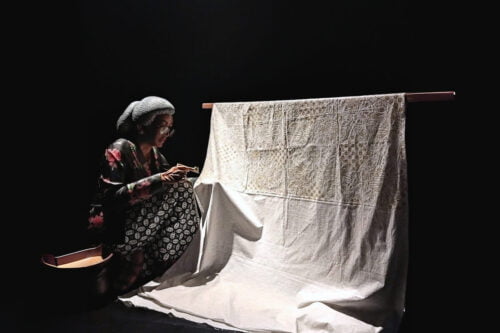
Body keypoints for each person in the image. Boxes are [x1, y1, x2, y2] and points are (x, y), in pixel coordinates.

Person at [88, 96, 200, 293]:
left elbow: (168, 189)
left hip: (140, 227)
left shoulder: (157, 156)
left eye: (170, 128)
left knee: (188, 185)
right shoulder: (119, 149)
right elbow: (112, 199)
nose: (168, 133)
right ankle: (137, 261)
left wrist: (175, 177)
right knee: (180, 189)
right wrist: (162, 180)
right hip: (116, 228)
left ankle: (155, 264)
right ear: (142, 127)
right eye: (163, 126)